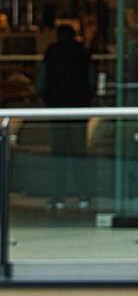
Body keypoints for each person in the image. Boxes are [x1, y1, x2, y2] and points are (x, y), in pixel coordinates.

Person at [36, 24, 95, 210]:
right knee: (79, 154)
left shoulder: (52, 52)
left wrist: (45, 99)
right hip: (79, 109)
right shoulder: (82, 52)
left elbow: (41, 81)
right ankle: (83, 194)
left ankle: (58, 196)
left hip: (57, 109)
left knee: (58, 154)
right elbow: (91, 79)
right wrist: (87, 99)